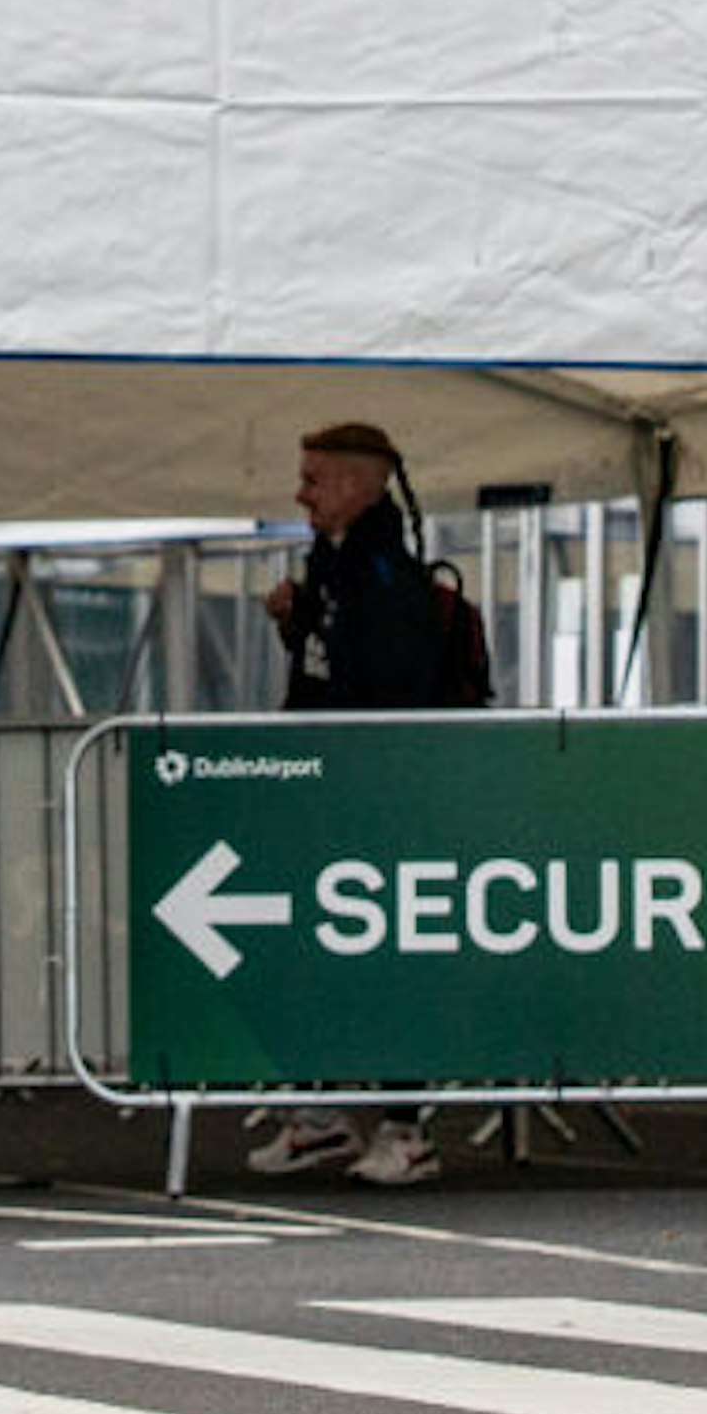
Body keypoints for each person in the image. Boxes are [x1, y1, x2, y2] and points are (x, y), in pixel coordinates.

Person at [248, 420, 451, 1188]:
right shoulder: (333, 565)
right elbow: (327, 667)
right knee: (312, 951)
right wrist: (293, 621)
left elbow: (385, 690)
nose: (301, 492)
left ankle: (406, 1126)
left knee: (388, 958)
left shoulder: (382, 572)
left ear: (361, 485)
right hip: (325, 790)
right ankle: (322, 1115)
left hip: (376, 801)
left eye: (316, 477)